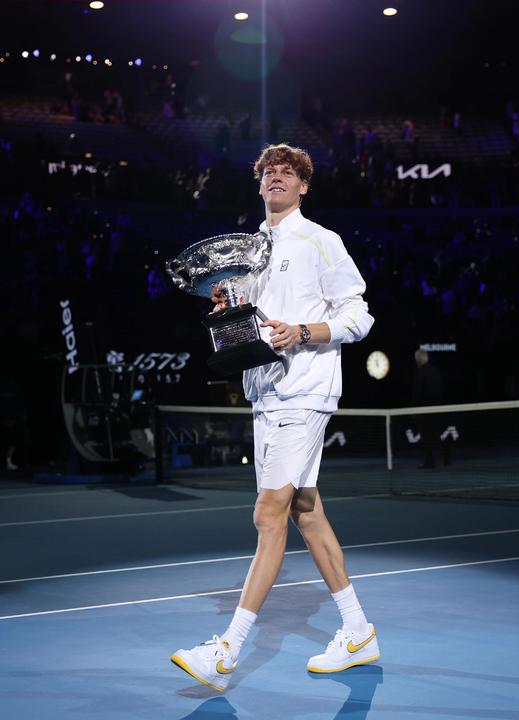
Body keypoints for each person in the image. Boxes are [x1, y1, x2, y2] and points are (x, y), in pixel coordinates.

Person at [170, 143, 378, 691]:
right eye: (269, 173)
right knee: (306, 512)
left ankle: (225, 652)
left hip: (304, 392)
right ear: (259, 184)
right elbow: (254, 324)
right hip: (266, 395)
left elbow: (359, 315)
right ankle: (358, 632)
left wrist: (303, 332)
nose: (277, 179)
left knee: (269, 515)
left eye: (288, 173)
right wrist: (230, 310)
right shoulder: (251, 252)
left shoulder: (322, 241)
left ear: (303, 186)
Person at [411, 349, 445, 468]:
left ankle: (429, 461)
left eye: (416, 358)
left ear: (418, 359)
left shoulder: (420, 372)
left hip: (424, 411)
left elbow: (417, 392)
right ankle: (445, 459)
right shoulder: (435, 370)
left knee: (425, 436)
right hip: (436, 409)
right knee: (437, 434)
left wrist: (414, 409)